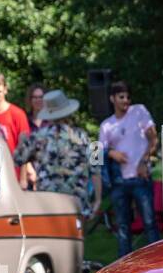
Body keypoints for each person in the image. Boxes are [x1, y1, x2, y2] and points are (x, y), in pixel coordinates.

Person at [12, 90, 101, 225]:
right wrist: (98, 200)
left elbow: (17, 159)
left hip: (48, 205)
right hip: (77, 203)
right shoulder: (85, 137)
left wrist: (21, 141)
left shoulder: (37, 137)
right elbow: (96, 169)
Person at [99, 80, 159, 257]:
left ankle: (158, 259)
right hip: (119, 181)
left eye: (128, 97)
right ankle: (125, 264)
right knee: (122, 227)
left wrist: (144, 161)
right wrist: (112, 153)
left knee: (149, 222)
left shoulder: (139, 111)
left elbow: (153, 139)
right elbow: (95, 154)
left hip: (141, 177)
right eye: (121, 97)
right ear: (112, 98)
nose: (126, 100)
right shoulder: (106, 125)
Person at [0, 73, 36, 187]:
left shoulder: (18, 114)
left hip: (14, 173)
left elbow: (24, 148)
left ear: (5, 90)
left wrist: (23, 179)